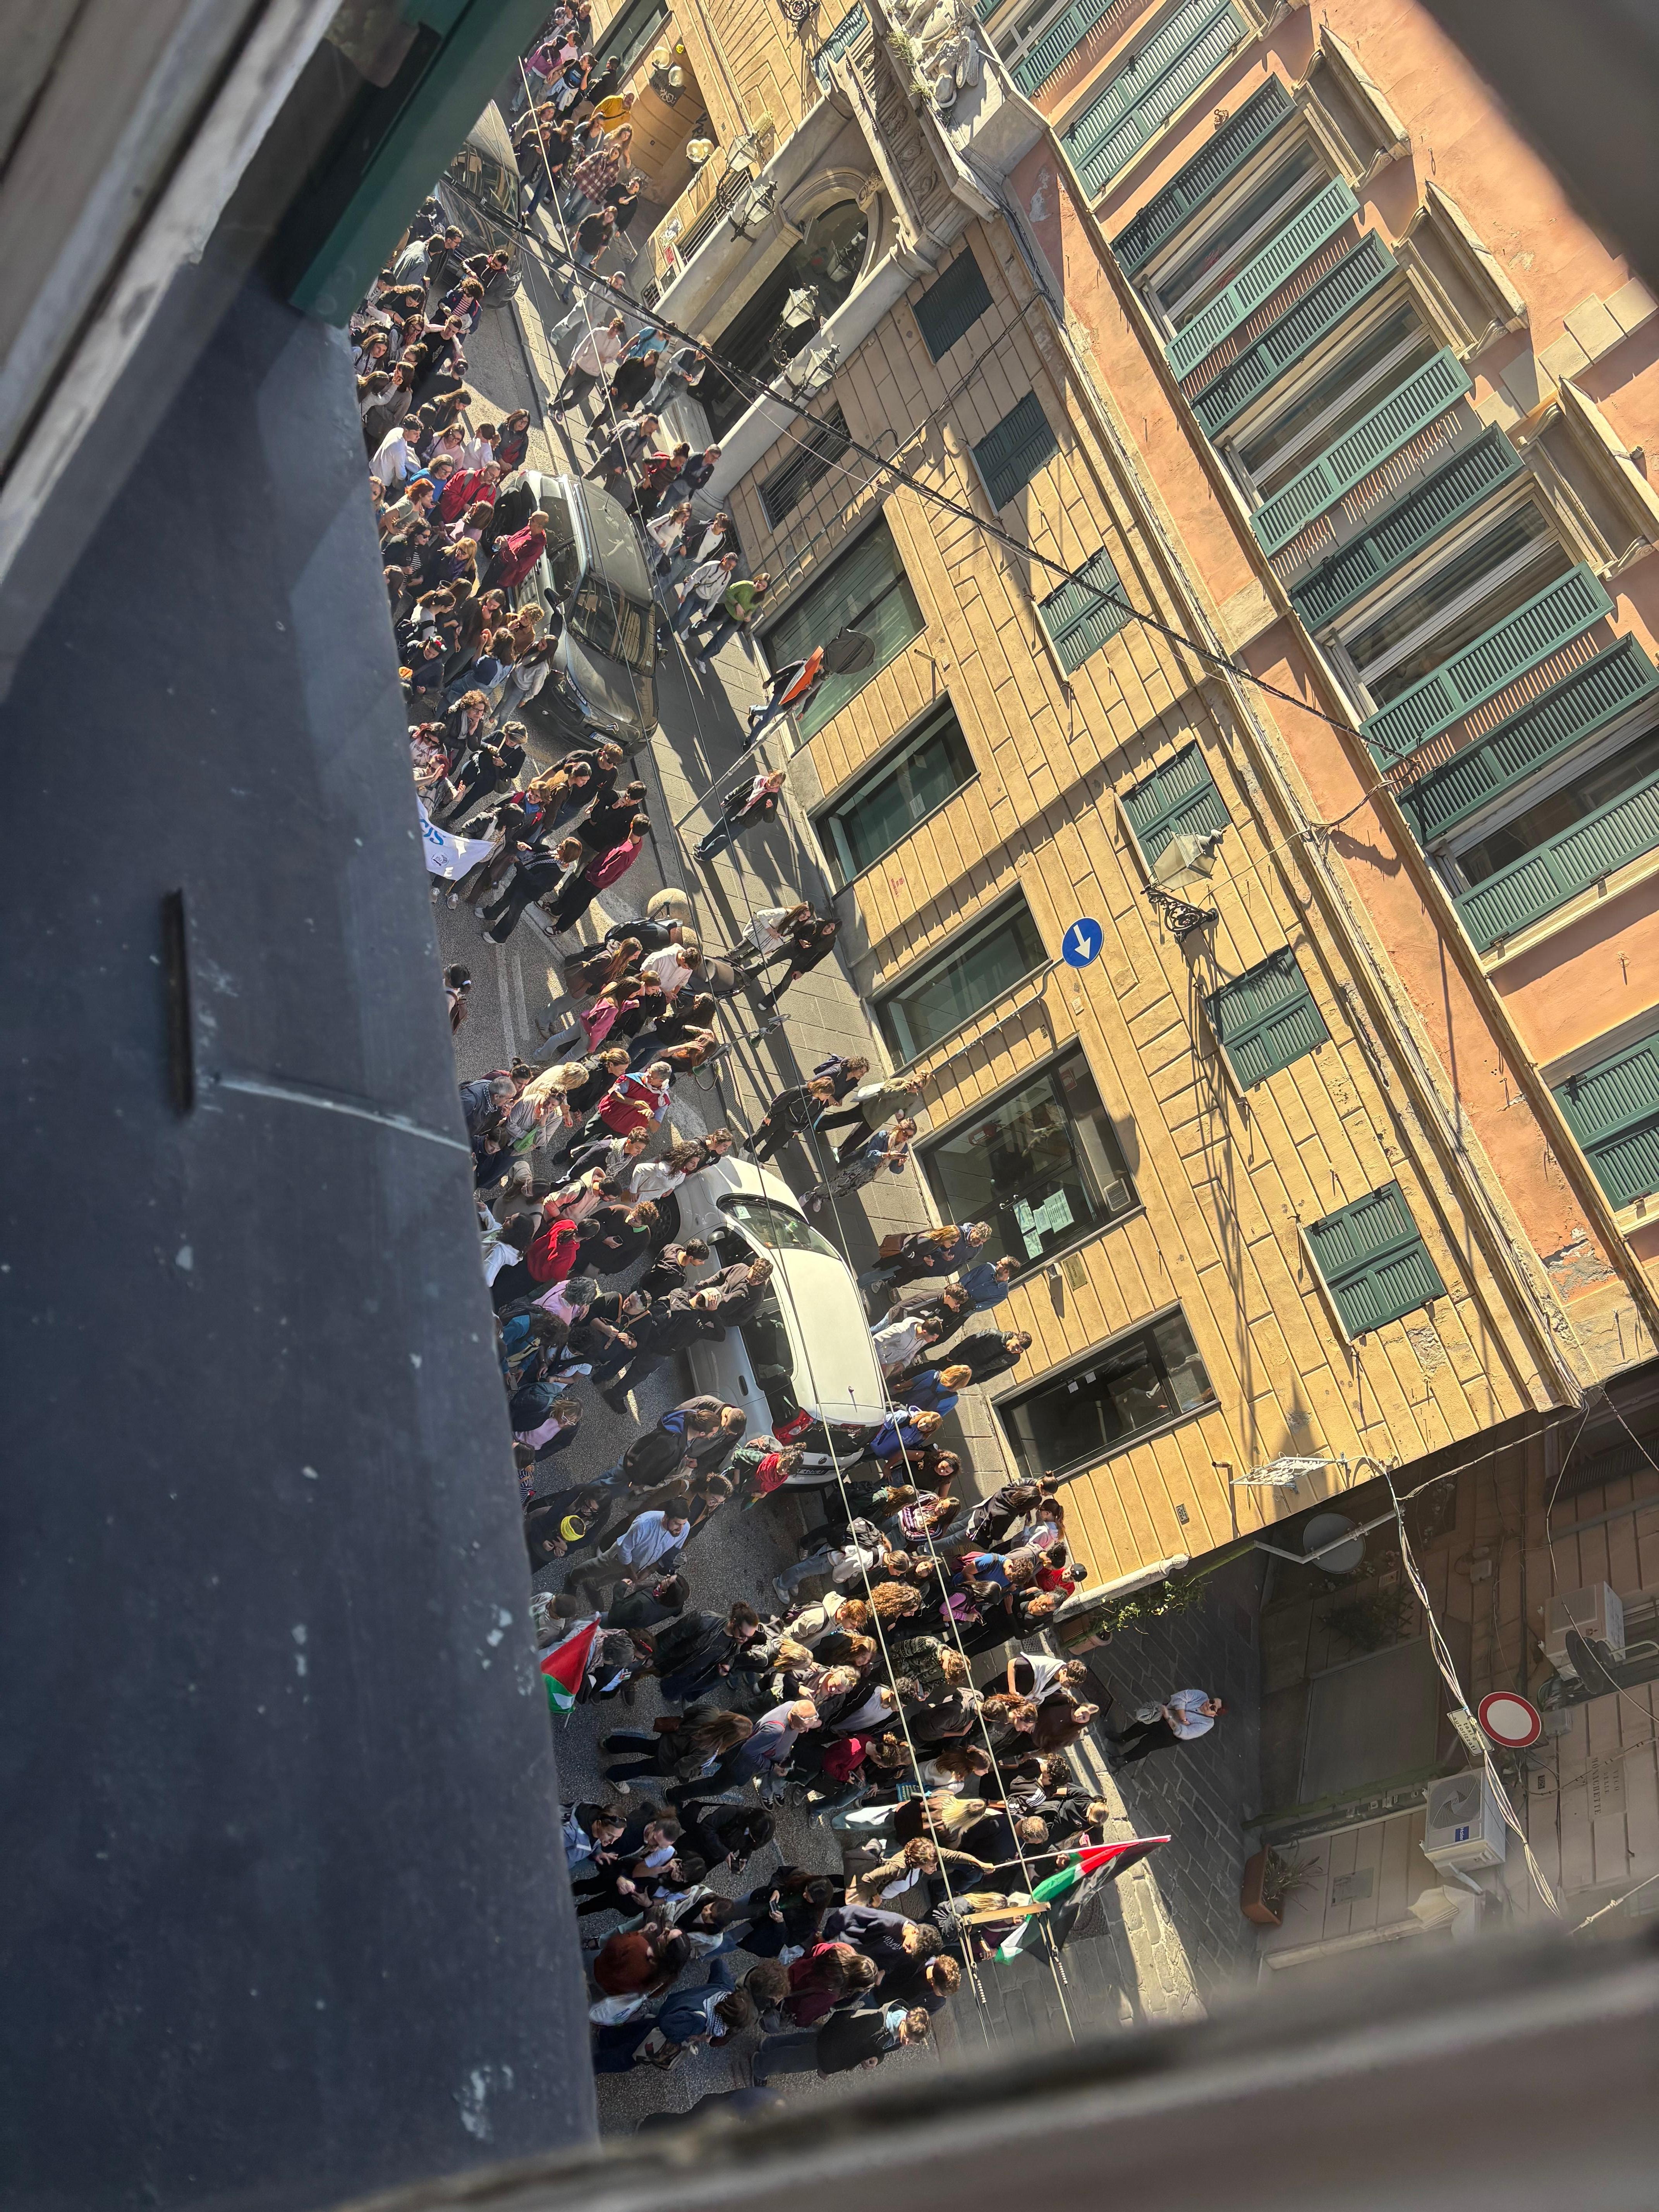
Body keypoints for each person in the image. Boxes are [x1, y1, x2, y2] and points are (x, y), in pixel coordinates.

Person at [749, 2002, 931, 2083]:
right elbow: (844, 2035)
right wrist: (827, 2067)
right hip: (829, 2049)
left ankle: (768, 2046)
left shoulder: (897, 2033)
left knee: (798, 2042)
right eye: (907, 2037)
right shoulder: (875, 2023)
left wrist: (877, 2058)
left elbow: (879, 2049)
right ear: (904, 2021)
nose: (906, 2043)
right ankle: (760, 2066)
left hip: (828, 2043)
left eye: (911, 2042)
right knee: (791, 2060)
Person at [814, 1073, 924, 1163]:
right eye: (915, 1083)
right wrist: (901, 1090)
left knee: (859, 1137)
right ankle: (820, 1124)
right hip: (870, 1108)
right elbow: (883, 1093)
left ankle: (840, 1152)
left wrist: (901, 1113)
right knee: (844, 1118)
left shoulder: (914, 1097)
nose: (915, 1087)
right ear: (913, 1079)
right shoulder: (900, 1082)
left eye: (919, 1087)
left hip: (879, 1119)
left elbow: (905, 1109)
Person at [1105, 1690, 1224, 1767]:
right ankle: (1123, 1738)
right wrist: (1183, 1719)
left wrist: (1170, 1718)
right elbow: (1179, 1698)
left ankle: (1125, 1760)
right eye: (1212, 1701)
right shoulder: (1201, 1696)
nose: (1209, 1705)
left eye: (1213, 1708)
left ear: (1215, 1715)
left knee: (1147, 1744)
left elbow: (1185, 1733)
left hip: (1170, 1735)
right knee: (1141, 1726)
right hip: (1163, 1715)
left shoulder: (1207, 1724)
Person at [694, 769, 787, 864]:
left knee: (726, 837)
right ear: (771, 775)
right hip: (738, 808)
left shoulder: (773, 797)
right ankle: (703, 845)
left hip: (746, 820)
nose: (775, 783)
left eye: (778, 783)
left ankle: (705, 856)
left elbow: (769, 820)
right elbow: (741, 788)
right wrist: (728, 799)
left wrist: (770, 809)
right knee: (720, 827)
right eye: (775, 779)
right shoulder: (758, 780)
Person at [744, 646, 824, 749]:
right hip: (782, 693)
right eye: (816, 667)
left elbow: (812, 697)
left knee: (769, 712)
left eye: (818, 669)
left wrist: (804, 711)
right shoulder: (801, 665)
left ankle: (754, 710)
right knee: (767, 719)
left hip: (790, 703)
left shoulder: (817, 680)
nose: (816, 670)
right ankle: (750, 741)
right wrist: (770, 681)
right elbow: (784, 672)